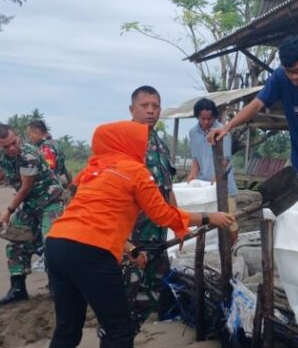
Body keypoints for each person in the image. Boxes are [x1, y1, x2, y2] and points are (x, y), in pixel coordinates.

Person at [45, 120, 234, 347]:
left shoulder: (94, 170)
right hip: (91, 253)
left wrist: (130, 249)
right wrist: (208, 217)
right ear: (126, 143)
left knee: (68, 329)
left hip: (56, 246)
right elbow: (163, 214)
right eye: (140, 143)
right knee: (119, 331)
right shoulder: (134, 171)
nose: (144, 149)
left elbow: (90, 219)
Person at [208, 35, 298, 205]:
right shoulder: (280, 79)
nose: (295, 77)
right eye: (290, 71)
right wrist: (228, 127)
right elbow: (256, 104)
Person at [0, 124, 65, 306]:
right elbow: (2, 169)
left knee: (51, 242)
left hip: (51, 200)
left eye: (13, 143)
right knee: (16, 242)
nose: (11, 148)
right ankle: (18, 288)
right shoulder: (1, 154)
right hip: (30, 204)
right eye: (5, 146)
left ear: (18, 137)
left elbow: (25, 188)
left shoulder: (29, 156)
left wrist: (7, 213)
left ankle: (57, 285)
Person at [124, 85, 179, 333]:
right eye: (144, 106)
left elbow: (168, 189)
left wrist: (178, 224)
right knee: (125, 297)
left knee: (150, 294)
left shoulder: (159, 144)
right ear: (131, 109)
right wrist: (125, 243)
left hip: (156, 237)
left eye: (155, 106)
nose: (150, 111)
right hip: (132, 238)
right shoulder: (123, 142)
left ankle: (128, 335)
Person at [187, 98, 239, 242]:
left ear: (214, 117)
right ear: (197, 116)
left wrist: (217, 178)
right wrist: (192, 175)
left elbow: (225, 160)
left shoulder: (222, 130)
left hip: (225, 185)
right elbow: (196, 158)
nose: (206, 122)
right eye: (202, 118)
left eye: (209, 119)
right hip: (204, 185)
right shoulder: (193, 132)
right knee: (206, 221)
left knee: (230, 221)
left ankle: (233, 249)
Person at [27, 120, 72, 186]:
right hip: (58, 184)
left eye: (30, 134)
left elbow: (49, 171)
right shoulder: (55, 144)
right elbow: (64, 169)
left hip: (50, 189)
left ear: (36, 132)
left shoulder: (45, 148)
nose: (30, 137)